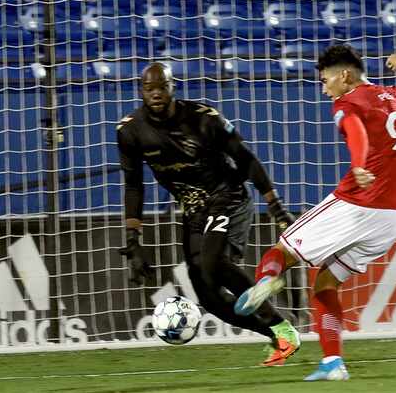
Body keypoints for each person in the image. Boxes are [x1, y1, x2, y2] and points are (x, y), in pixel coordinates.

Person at [234, 45, 396, 381]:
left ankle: (267, 280)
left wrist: (358, 166)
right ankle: (333, 364)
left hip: (360, 203)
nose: (324, 87)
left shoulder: (347, 102)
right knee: (326, 283)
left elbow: (356, 132)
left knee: (282, 250)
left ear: (344, 76)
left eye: (326, 79)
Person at [117, 62, 301, 366]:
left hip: (227, 196)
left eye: (162, 86)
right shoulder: (131, 131)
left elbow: (246, 159)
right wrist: (133, 239)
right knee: (210, 298)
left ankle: (278, 319)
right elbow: (133, 186)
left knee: (213, 262)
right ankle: (275, 333)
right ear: (141, 91)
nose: (156, 94)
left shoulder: (203, 119)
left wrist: (275, 206)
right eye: (149, 89)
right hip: (193, 210)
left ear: (172, 86)